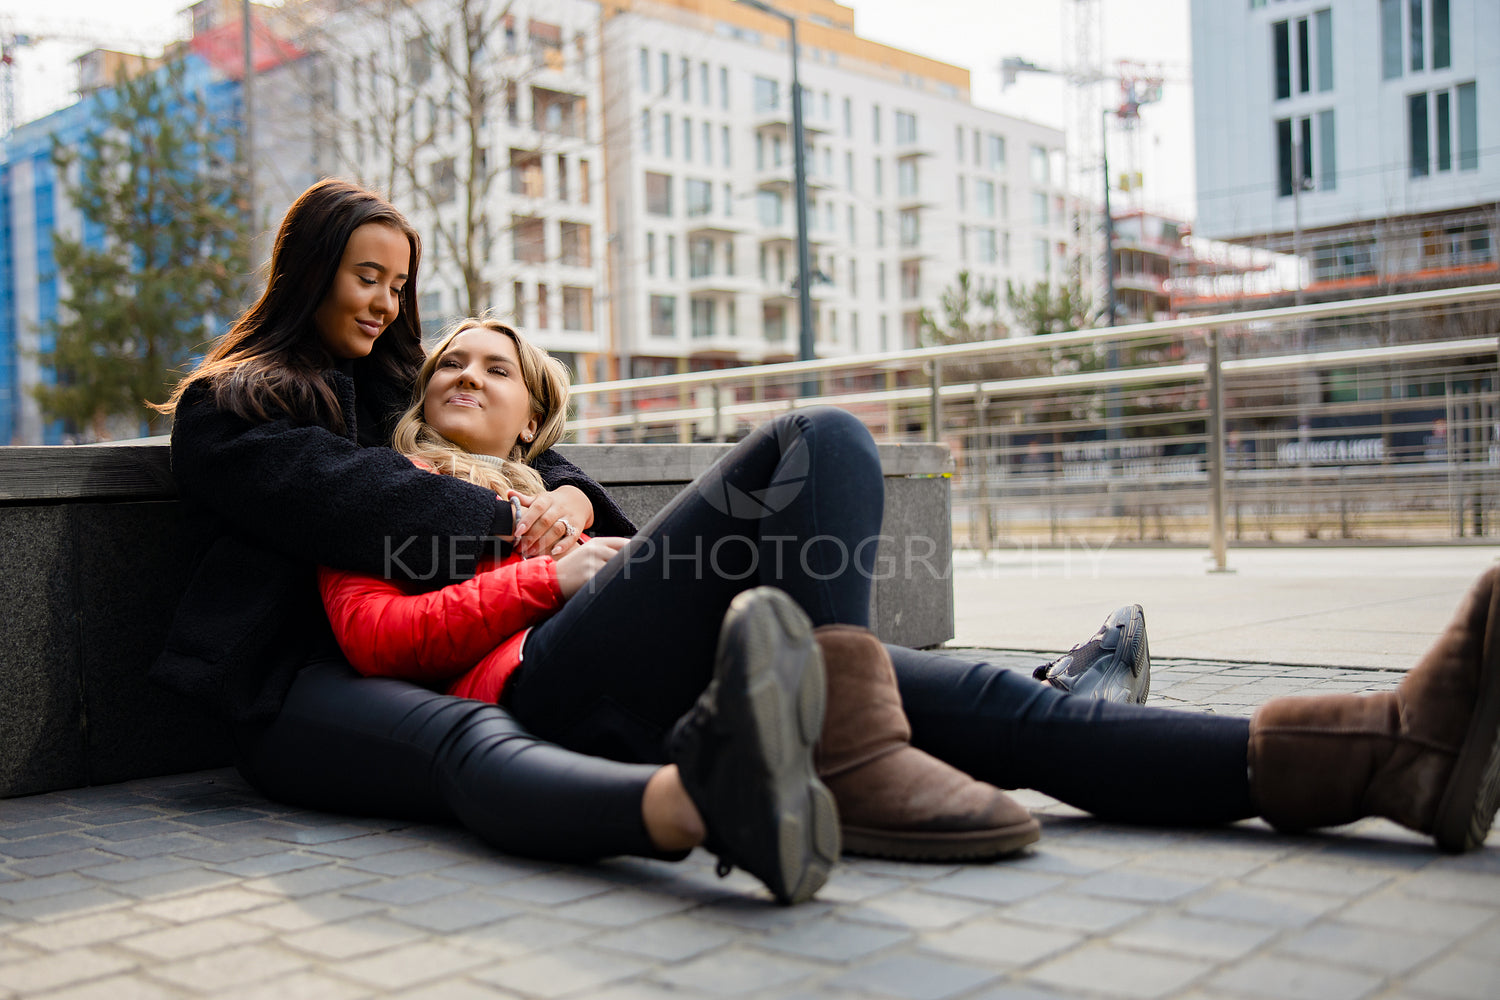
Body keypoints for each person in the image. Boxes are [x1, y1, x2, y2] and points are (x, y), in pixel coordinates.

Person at [319, 315, 1500, 859]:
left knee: (1018, 712)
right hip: (545, 689)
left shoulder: (565, 490)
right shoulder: (381, 485)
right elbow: (378, 640)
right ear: (418, 400)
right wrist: (550, 579)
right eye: (448, 362)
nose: (466, 371)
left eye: (496, 365)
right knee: (817, 434)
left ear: (537, 414)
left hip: (667, 670)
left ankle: (1386, 757)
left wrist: (585, 539)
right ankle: (853, 745)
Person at [149, 178, 838, 905]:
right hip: (290, 677)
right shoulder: (230, 404)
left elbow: (518, 449)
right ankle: (697, 807)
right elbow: (353, 494)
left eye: (399, 284)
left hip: (429, 651)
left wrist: (569, 497)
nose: (386, 303)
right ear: (310, 269)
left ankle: (822, 747)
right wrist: (510, 521)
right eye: (367, 277)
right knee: (467, 738)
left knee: (500, 716)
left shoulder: (388, 385)